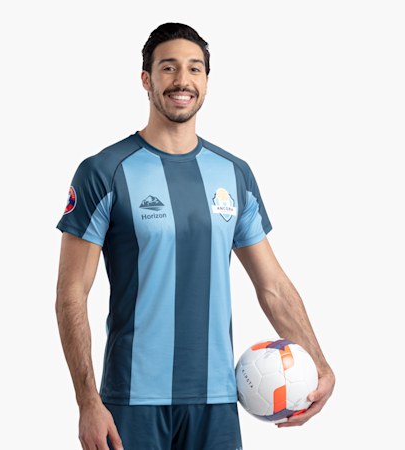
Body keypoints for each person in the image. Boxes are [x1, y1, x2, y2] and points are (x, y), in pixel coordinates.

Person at [55, 22, 335, 450]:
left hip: (217, 401)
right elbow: (72, 293)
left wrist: (319, 363)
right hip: (131, 400)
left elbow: (272, 286)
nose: (182, 80)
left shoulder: (234, 174)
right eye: (168, 68)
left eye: (194, 68)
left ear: (206, 81)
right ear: (146, 79)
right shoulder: (104, 171)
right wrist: (87, 401)